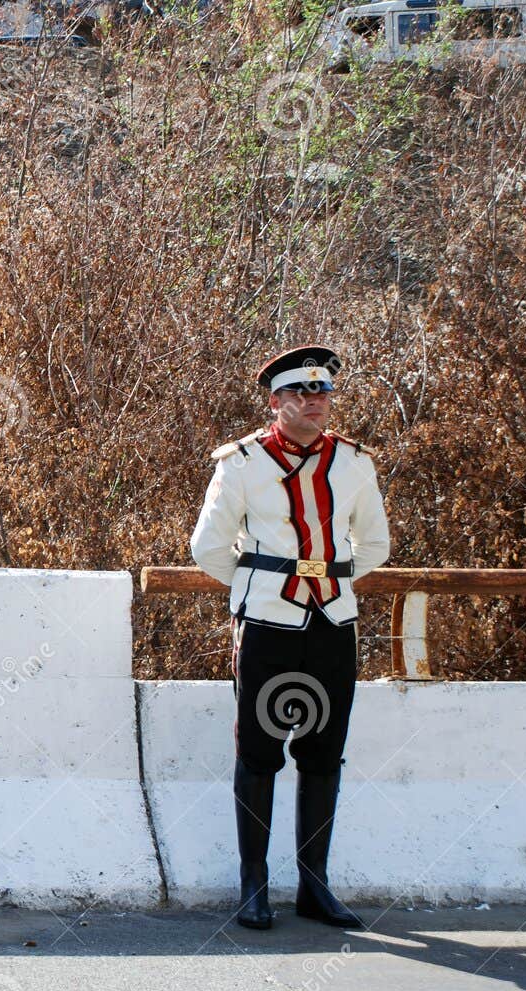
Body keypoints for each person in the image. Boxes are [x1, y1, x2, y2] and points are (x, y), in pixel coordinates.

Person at [189, 344, 390, 930]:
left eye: (322, 392)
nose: (314, 403)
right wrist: (258, 589)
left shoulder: (354, 464)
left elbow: (373, 545)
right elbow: (208, 548)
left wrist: (325, 581)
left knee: (324, 753)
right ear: (276, 401)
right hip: (267, 626)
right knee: (258, 751)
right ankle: (254, 885)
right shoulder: (242, 463)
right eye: (300, 394)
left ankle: (314, 885)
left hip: (333, 624)